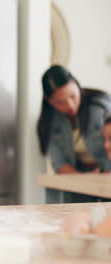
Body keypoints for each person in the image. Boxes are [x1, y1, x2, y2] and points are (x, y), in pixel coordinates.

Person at [37, 65, 111, 203]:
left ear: (78, 86)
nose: (70, 105)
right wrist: (86, 179)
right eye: (60, 102)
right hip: (79, 180)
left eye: (73, 96)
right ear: (50, 101)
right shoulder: (50, 122)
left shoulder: (102, 106)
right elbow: (59, 163)